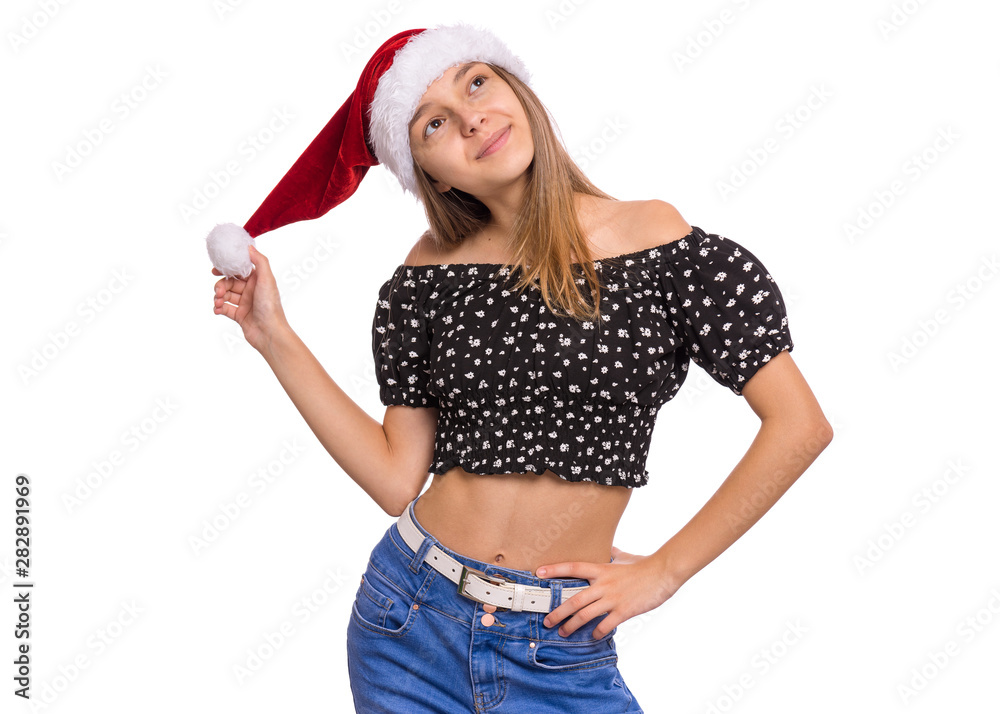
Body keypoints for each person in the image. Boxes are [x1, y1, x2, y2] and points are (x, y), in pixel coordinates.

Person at [210, 22, 833, 713]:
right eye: (434, 124)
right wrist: (272, 335)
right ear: (428, 174)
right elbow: (394, 478)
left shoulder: (660, 244)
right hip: (406, 621)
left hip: (559, 643)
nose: (472, 119)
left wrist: (665, 572)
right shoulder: (428, 274)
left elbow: (799, 425)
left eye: (476, 82)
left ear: (515, 87)